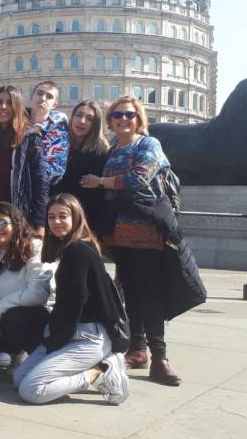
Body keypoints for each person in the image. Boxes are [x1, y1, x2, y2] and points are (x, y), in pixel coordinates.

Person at [81, 95, 180, 385]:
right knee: (130, 292)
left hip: (146, 232)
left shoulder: (148, 144)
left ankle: (160, 357)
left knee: (150, 294)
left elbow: (140, 178)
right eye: (118, 115)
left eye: (130, 114)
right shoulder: (112, 148)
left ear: (139, 119)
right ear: (110, 121)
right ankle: (138, 349)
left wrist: (101, 182)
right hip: (118, 233)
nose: (124, 119)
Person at [12, 193, 129, 405]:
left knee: (31, 390)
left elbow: (73, 304)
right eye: (51, 217)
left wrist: (54, 341)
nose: (56, 222)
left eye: (63, 216)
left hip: (88, 337)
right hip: (70, 331)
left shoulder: (77, 251)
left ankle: (99, 371)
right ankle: (91, 364)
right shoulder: (71, 249)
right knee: (18, 378)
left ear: (76, 217)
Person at [0, 202, 54, 368]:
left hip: (30, 315)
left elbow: (38, 293)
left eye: (3, 222)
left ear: (16, 224)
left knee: (11, 319)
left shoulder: (34, 247)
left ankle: (30, 354)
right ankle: (9, 353)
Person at [0, 85, 50, 259]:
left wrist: (40, 224)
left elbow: (41, 182)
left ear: (17, 106)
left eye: (9, 103)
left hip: (17, 217)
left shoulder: (30, 138)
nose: (3, 107)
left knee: (15, 267)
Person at [52, 100, 110, 230]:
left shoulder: (99, 152)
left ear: (95, 124)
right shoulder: (58, 144)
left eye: (89, 119)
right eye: (79, 115)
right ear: (72, 117)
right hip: (55, 214)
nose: (82, 121)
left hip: (84, 218)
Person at [28, 81, 69, 185]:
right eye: (40, 93)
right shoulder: (15, 122)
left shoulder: (58, 133)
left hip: (36, 190)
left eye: (49, 96)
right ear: (31, 97)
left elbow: (55, 173)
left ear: (54, 105)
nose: (43, 98)